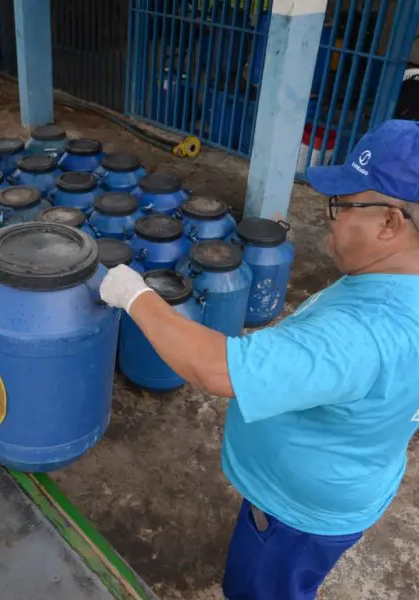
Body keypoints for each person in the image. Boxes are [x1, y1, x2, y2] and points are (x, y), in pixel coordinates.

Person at [100, 119, 419, 600]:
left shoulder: (366, 333)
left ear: (390, 222)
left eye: (342, 204)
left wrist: (135, 295)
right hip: (353, 475)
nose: (330, 217)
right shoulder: (396, 286)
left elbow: (215, 367)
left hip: (297, 515)